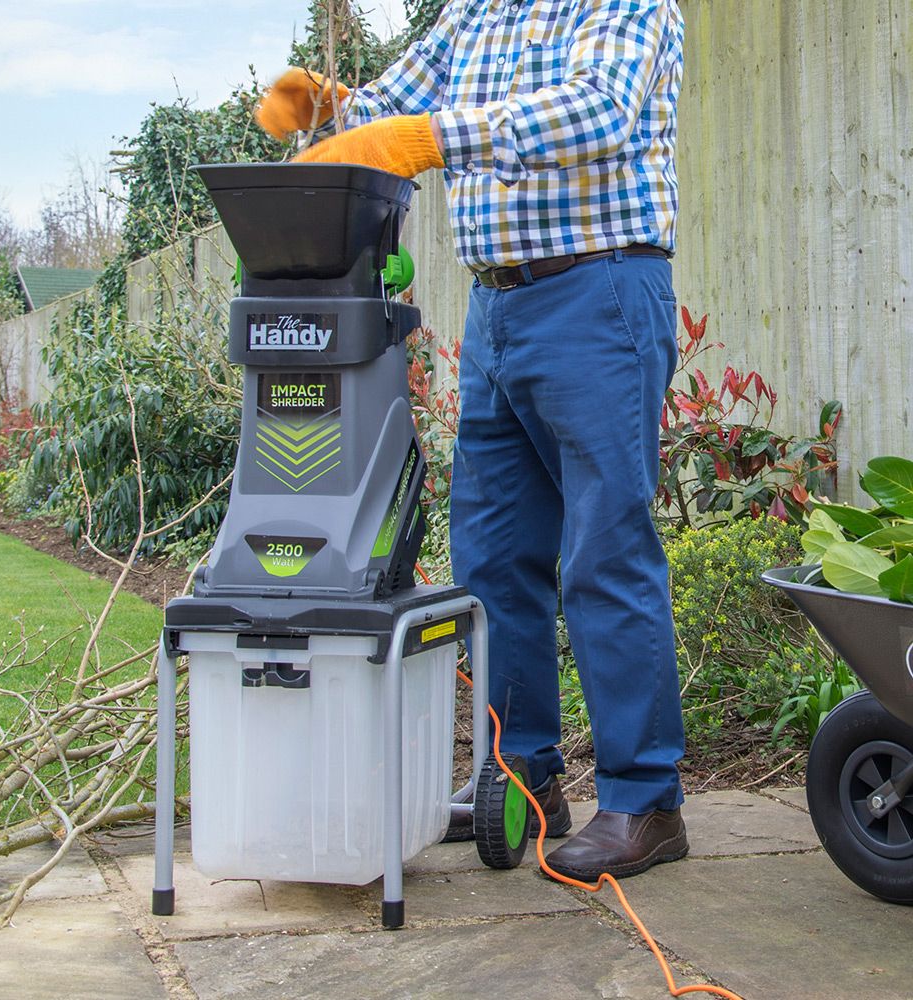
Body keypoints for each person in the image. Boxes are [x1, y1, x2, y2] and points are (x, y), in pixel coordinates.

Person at [255, 0, 688, 881]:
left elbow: (598, 111)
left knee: (606, 551)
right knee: (491, 557)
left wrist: (434, 137)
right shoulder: (477, 15)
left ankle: (646, 801)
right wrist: (328, 105)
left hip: (599, 289)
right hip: (497, 308)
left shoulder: (627, 5)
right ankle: (523, 779)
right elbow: (394, 109)